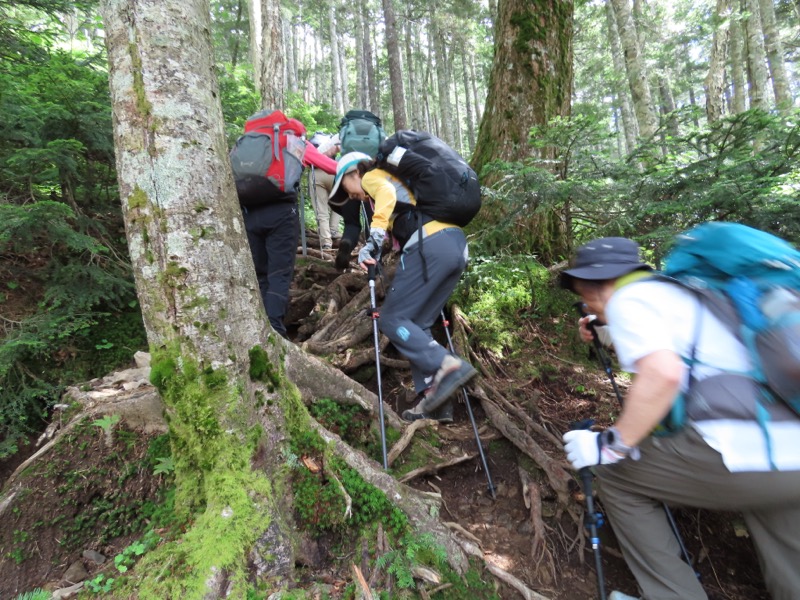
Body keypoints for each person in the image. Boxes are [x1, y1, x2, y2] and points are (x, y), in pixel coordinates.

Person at [559, 237, 800, 600]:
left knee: (616, 476)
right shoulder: (684, 293)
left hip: (734, 448)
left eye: (583, 294)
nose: (586, 304)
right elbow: (695, 352)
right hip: (787, 453)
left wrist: (610, 445)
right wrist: (606, 331)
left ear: (594, 285)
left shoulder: (629, 300)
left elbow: (664, 373)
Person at [328, 152, 477, 423]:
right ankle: (434, 399)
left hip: (430, 245)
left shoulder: (372, 176)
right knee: (416, 324)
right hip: (455, 246)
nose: (352, 197)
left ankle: (448, 365)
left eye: (346, 189)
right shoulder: (403, 184)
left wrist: (373, 238)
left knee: (392, 319)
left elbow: (384, 194)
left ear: (354, 174)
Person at [242, 139, 337, 338]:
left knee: (261, 274)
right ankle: (275, 330)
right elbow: (329, 165)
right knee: (279, 273)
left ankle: (260, 327)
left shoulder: (254, 144)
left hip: (250, 213)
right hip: (282, 214)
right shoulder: (296, 142)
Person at [307, 132, 343, 251]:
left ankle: (326, 242)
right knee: (339, 203)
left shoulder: (312, 144)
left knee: (321, 210)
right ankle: (333, 230)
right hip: (333, 171)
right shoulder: (331, 140)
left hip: (315, 173)